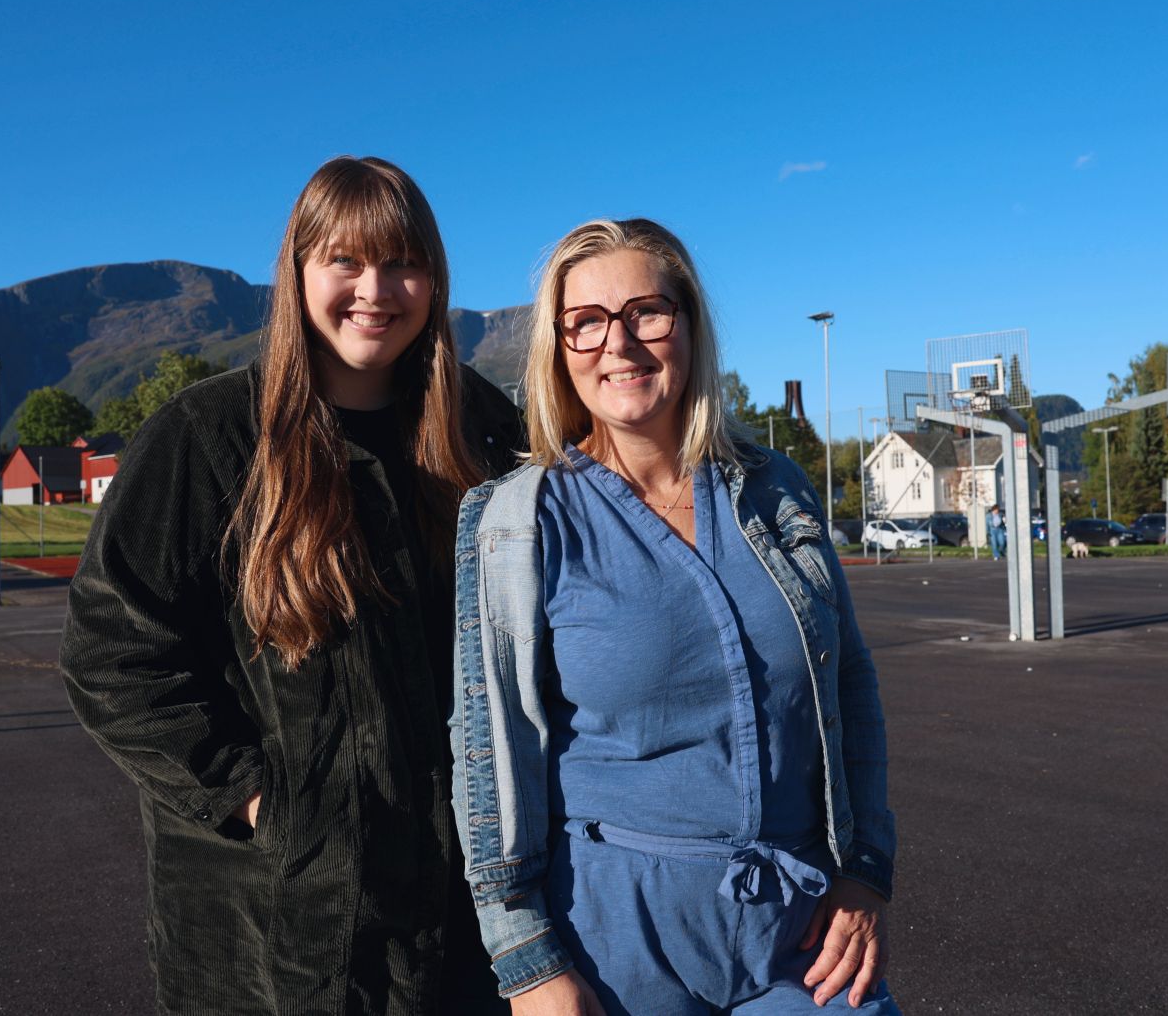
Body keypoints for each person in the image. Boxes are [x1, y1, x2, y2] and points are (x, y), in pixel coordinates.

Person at [60, 156, 524, 1014]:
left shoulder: (483, 428)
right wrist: (260, 798)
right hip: (279, 919)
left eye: (403, 263)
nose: (375, 290)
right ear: (299, 271)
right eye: (345, 260)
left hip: (469, 903)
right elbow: (112, 651)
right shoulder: (206, 437)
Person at [451, 219, 899, 1014]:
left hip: (796, 934)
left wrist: (865, 868)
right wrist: (525, 960)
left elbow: (851, 678)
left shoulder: (774, 486)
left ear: (689, 324)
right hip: (613, 942)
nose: (618, 345)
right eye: (586, 323)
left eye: (647, 312)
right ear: (559, 349)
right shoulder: (518, 519)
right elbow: (490, 745)